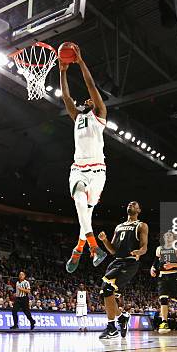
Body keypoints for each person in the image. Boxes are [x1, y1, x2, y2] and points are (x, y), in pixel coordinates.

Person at [60, 43, 108, 273]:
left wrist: (80, 63)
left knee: (85, 214)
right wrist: (62, 71)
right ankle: (92, 246)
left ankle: (78, 249)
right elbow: (66, 96)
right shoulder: (77, 117)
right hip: (79, 168)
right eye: (86, 100)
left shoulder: (100, 116)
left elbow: (91, 86)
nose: (88, 100)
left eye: (91, 99)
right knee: (79, 200)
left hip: (98, 171)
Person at [97, 201, 148, 339]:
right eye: (129, 204)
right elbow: (113, 250)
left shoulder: (141, 225)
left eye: (134, 204)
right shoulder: (119, 226)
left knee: (108, 289)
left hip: (130, 262)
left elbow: (144, 247)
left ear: (139, 210)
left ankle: (112, 328)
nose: (130, 205)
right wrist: (104, 240)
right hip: (116, 261)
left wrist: (139, 251)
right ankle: (122, 317)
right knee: (105, 293)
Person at [150, 230, 177, 333]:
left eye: (170, 235)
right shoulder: (159, 249)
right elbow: (156, 262)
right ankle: (164, 322)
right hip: (162, 276)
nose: (168, 236)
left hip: (174, 276)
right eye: (166, 235)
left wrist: (172, 265)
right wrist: (152, 268)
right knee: (163, 299)